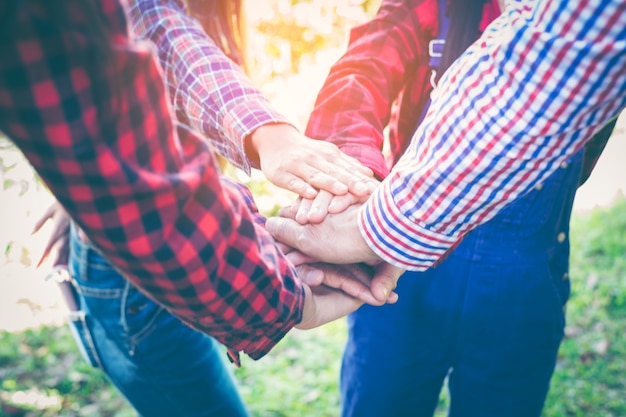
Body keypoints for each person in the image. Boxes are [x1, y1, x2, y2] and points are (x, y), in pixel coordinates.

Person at [0, 0, 404, 409]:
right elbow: (142, 25)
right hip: (142, 269)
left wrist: (87, 179)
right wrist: (270, 136)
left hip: (176, 245)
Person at [278, 0, 616, 415]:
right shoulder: (428, 8)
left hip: (521, 281)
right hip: (397, 274)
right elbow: (361, 73)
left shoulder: (583, 23)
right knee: (382, 400)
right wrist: (350, 176)